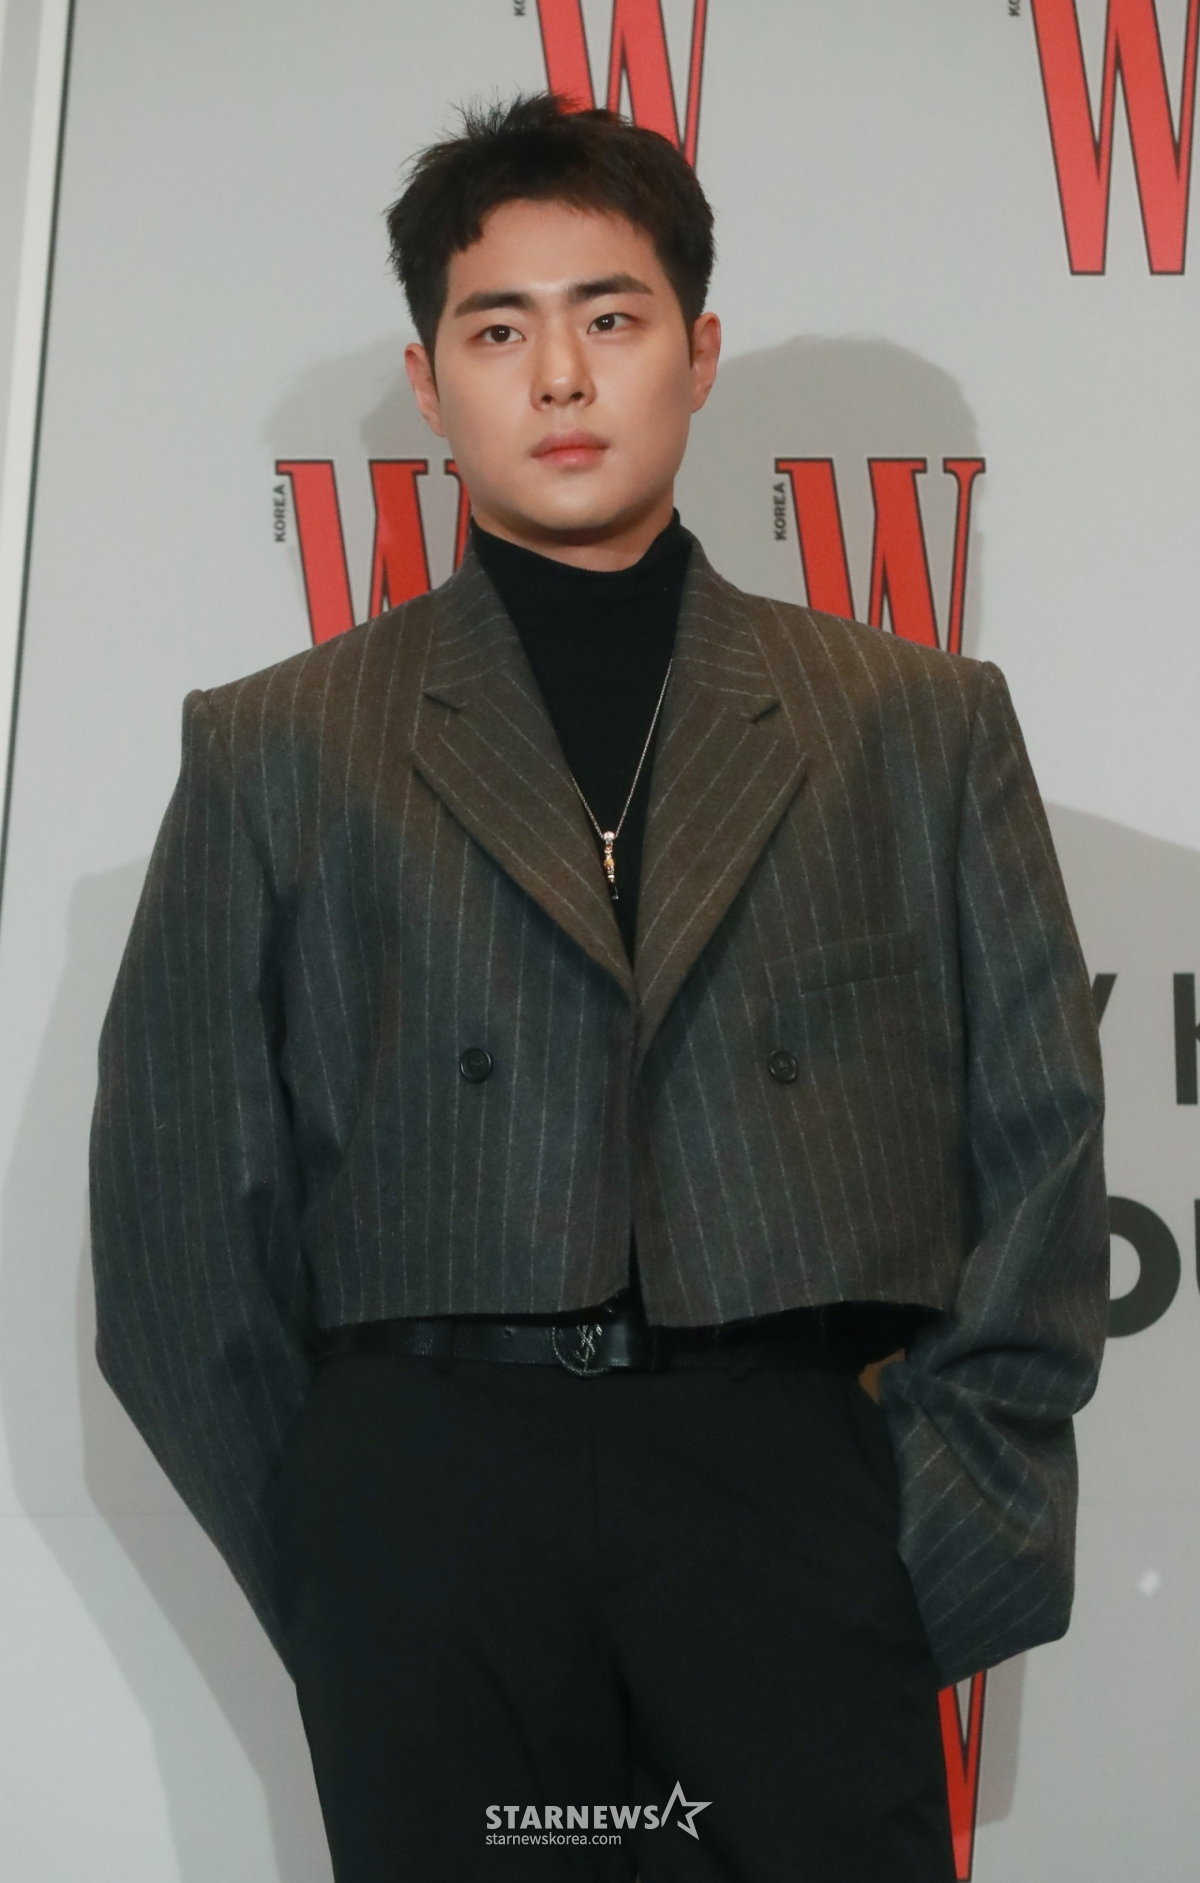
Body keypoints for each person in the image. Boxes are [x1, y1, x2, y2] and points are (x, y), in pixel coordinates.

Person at [89, 93, 1107, 1882]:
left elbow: (1038, 1151)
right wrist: (344, 1552)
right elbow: (178, 1230)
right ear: (430, 383)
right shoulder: (279, 746)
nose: (560, 377)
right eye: (499, 330)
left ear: (699, 354)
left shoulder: (914, 725)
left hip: (790, 1496)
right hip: (431, 1512)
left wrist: (921, 1539)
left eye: (610, 317)